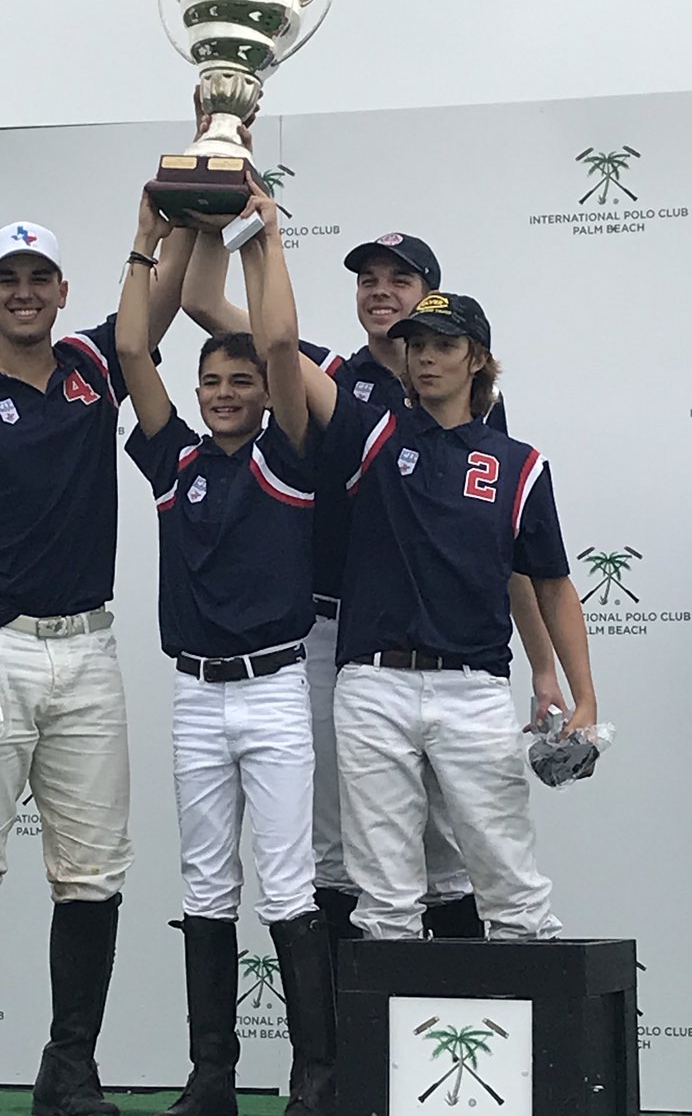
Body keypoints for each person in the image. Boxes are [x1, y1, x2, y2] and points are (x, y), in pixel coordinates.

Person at [179, 228, 566, 954]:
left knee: (451, 843)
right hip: (336, 634)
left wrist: (542, 661)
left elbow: (504, 551)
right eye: (368, 279)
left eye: (401, 278)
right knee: (345, 842)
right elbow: (204, 301)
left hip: (448, 650)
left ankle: (450, 1010)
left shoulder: (478, 410)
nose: (381, 290)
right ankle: (340, 1053)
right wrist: (221, 210)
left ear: (436, 303)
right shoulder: (329, 372)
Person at [0, 218, 198, 1116]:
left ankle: (69, 1073)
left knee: (94, 870)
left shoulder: (94, 369)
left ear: (64, 291)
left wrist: (161, 226)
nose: (25, 291)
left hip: (88, 652)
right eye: (8, 278)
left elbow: (160, 307)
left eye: (41, 277)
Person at [116, 183, 335, 1116]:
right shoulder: (175, 459)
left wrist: (261, 238)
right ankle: (212, 1077)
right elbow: (132, 346)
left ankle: (315, 1080)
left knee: (287, 888)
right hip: (197, 696)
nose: (225, 393)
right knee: (206, 885)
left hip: (277, 690)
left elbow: (281, 342)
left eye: (239, 382)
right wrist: (146, 240)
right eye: (212, 382)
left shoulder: (288, 454)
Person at [297, 290, 596, 939]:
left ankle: (517, 1042)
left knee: (510, 884)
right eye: (417, 345)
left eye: (445, 345)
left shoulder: (519, 464)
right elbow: (274, 347)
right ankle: (388, 1045)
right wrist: (260, 241)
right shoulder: (373, 434)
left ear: (477, 358)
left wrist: (579, 695)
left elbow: (548, 583)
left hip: (474, 687)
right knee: (382, 902)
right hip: (373, 683)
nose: (427, 358)